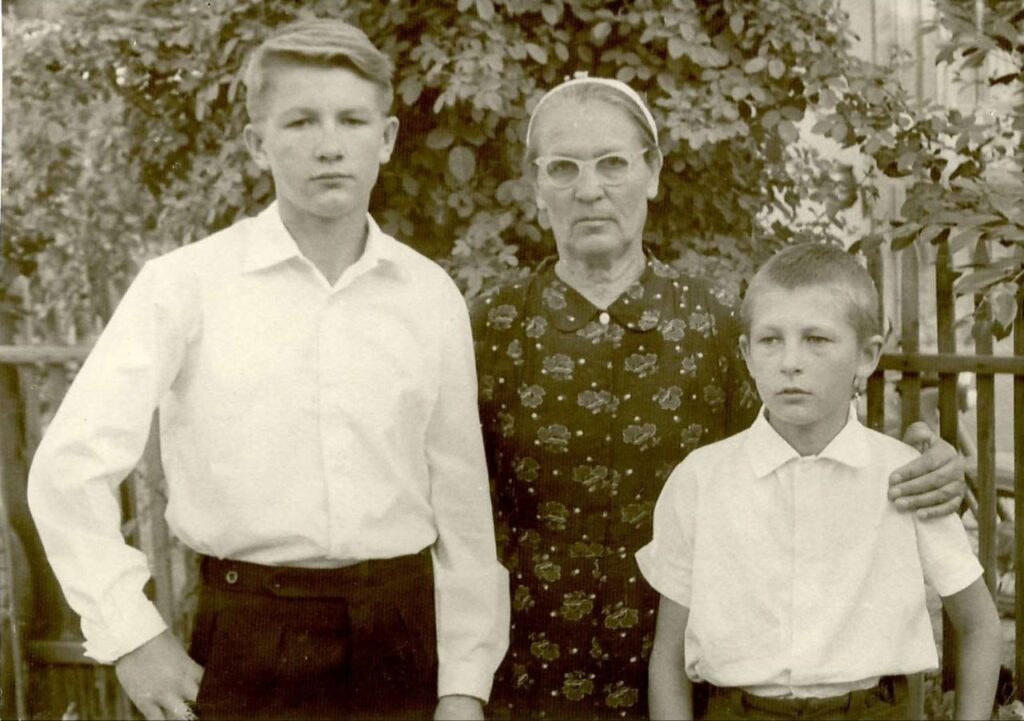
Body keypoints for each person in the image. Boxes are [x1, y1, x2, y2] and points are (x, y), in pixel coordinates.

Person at [27, 19, 508, 721]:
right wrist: (131, 634)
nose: (329, 145)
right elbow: (69, 467)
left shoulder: (429, 295)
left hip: (401, 639)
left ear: (386, 139)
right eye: (301, 121)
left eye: (351, 120)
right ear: (258, 144)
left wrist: (463, 683)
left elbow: (462, 504)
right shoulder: (185, 285)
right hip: (250, 634)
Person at [471, 74, 967, 720]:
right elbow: (452, 503)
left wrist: (930, 461)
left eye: (613, 163)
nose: (588, 189)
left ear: (652, 173)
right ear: (537, 187)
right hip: (529, 675)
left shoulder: (713, 321)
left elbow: (812, 459)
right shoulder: (488, 327)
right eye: (562, 168)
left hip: (699, 682)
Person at [638, 243, 1001, 720]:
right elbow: (669, 656)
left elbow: (979, 626)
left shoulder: (906, 478)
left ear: (867, 356)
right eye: (770, 340)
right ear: (746, 354)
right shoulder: (702, 479)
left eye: (817, 339)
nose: (791, 361)